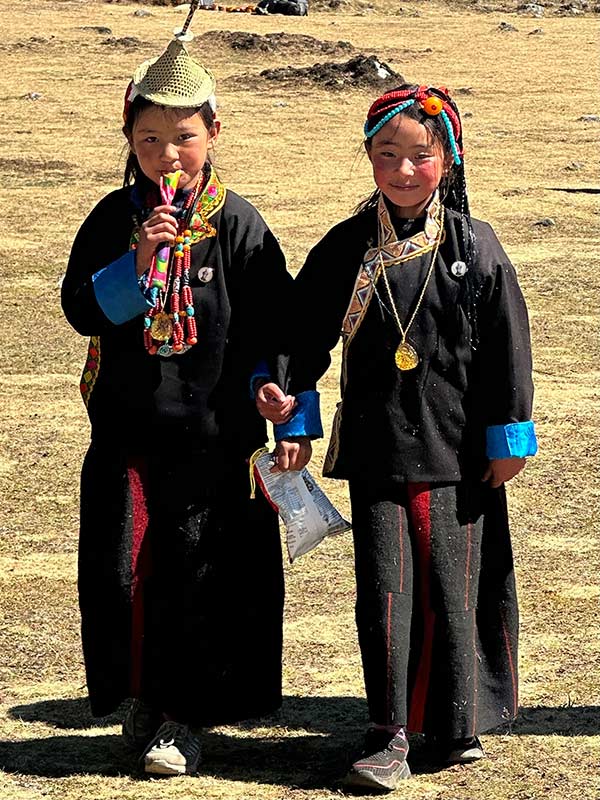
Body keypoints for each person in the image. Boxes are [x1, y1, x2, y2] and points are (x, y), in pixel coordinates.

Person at [259, 84, 538, 792]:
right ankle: (388, 733)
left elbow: (508, 349)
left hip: (460, 452)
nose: (404, 170)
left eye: (421, 155)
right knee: (386, 589)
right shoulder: (348, 247)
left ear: (449, 158)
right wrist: (292, 417)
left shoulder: (476, 247)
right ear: (368, 157)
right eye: (388, 154)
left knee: (455, 584)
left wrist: (508, 440)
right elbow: (300, 337)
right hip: (378, 447)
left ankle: (456, 723)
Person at [61, 9, 294, 777]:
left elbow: (274, 326)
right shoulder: (113, 218)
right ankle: (143, 696)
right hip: (128, 432)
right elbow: (79, 308)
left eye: (184, 137)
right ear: (129, 138)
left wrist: (275, 390)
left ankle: (184, 718)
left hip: (214, 439)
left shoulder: (241, 225)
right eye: (149, 139)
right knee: (124, 573)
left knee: (201, 578)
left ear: (214, 132)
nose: (167, 155)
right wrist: (135, 264)